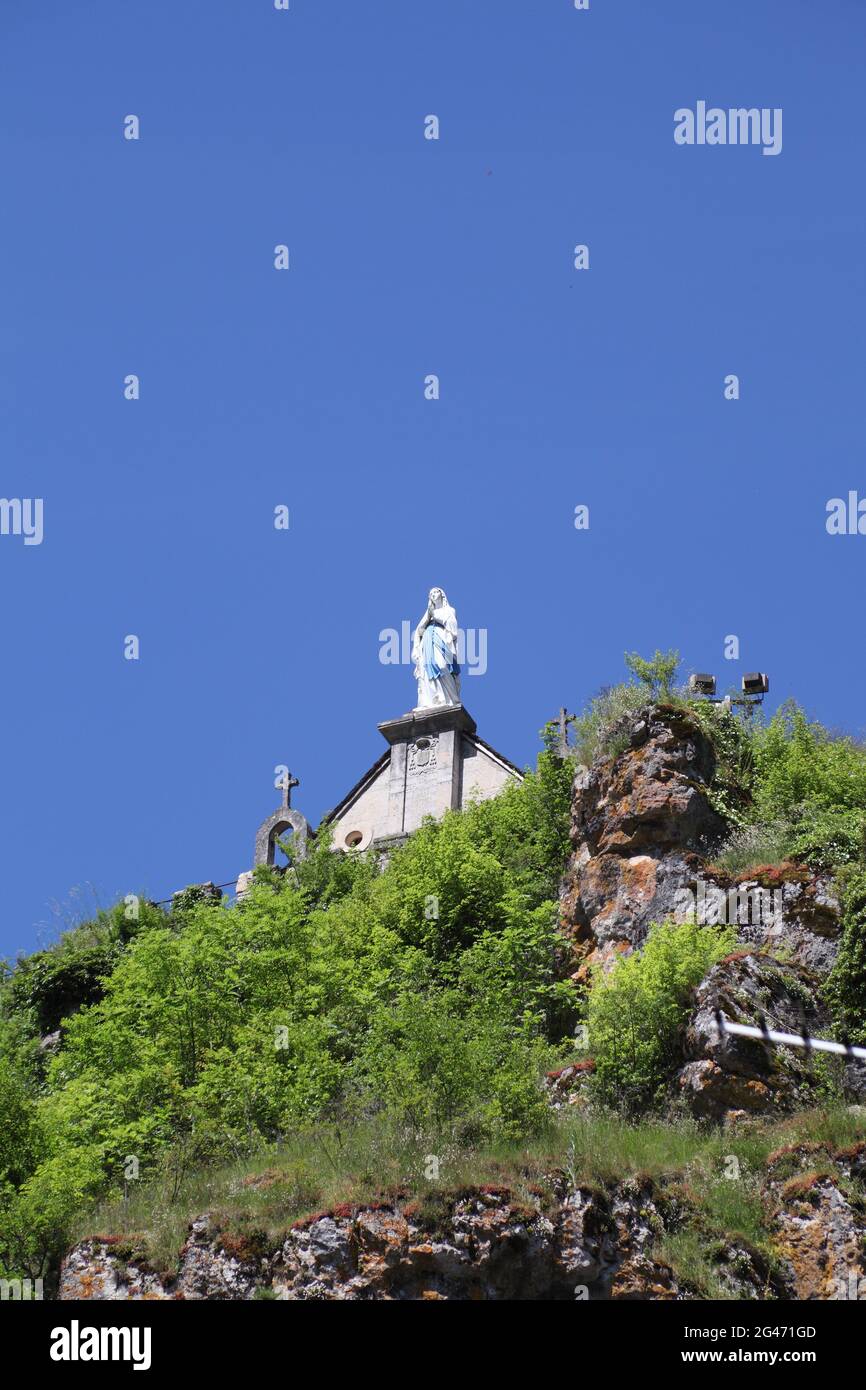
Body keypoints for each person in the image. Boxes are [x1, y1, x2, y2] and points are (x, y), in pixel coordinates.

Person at [411, 587, 461, 709]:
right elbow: (419, 630)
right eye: (430, 593)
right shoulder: (429, 612)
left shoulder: (449, 610)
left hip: (442, 639)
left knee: (442, 665)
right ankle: (432, 700)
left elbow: (452, 625)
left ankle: (449, 699)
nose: (433, 594)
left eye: (435, 592)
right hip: (428, 641)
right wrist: (429, 615)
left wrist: (435, 615)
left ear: (442, 595)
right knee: (427, 669)